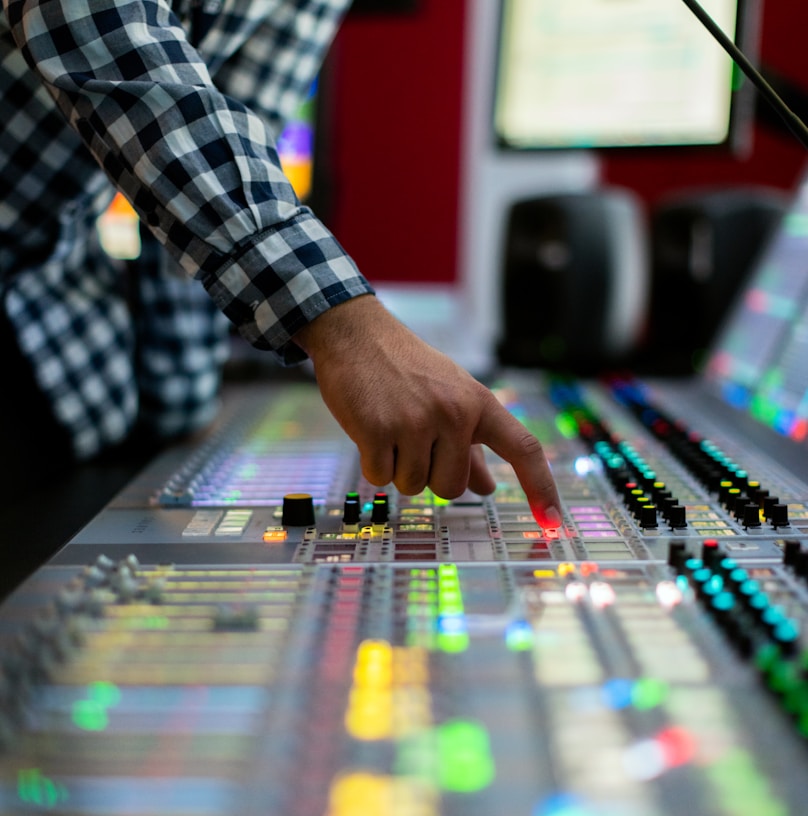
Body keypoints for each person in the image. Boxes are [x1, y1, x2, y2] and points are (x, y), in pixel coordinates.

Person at [0, 0, 561, 528]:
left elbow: (224, 151)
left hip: (50, 334)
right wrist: (346, 324)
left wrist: (180, 407)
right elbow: (90, 21)